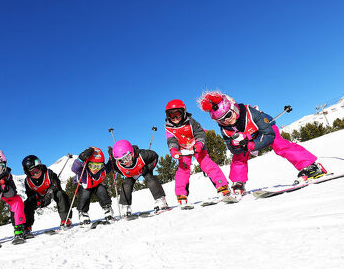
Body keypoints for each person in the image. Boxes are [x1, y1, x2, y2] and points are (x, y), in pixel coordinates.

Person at [198, 91, 327, 194]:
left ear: (234, 108)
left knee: (279, 144)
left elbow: (269, 135)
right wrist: (236, 145)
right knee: (239, 156)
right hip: (248, 137)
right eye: (220, 120)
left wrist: (253, 145)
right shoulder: (226, 130)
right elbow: (232, 149)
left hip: (266, 129)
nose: (226, 121)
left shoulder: (251, 114)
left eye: (228, 115)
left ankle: (311, 166)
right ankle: (238, 182)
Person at [165, 99, 231, 206]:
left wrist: (199, 144)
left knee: (207, 164)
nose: (175, 118)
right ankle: (181, 195)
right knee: (183, 169)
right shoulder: (169, 128)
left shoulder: (191, 122)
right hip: (183, 148)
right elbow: (171, 140)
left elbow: (200, 133)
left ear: (184, 112)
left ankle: (223, 187)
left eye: (178, 114)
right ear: (168, 116)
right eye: (172, 115)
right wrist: (173, 149)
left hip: (196, 145)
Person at [109, 140, 167, 215]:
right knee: (126, 184)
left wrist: (148, 168)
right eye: (121, 160)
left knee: (150, 178)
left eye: (127, 158)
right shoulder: (117, 164)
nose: (125, 162)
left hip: (143, 169)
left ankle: (161, 201)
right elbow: (113, 168)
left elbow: (154, 156)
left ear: (132, 153)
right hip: (131, 174)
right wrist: (112, 159)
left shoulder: (142, 155)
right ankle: (125, 207)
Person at [22, 155, 72, 233]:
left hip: (52, 193)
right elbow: (30, 195)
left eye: (37, 170)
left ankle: (65, 219)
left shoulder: (48, 173)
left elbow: (56, 185)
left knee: (60, 194)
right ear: (28, 173)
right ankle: (27, 226)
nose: (36, 174)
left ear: (40, 166)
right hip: (39, 197)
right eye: (32, 173)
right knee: (27, 203)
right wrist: (38, 201)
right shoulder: (28, 181)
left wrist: (49, 194)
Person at [71, 147, 114, 225]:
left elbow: (109, 167)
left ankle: (107, 208)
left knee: (102, 189)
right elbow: (74, 168)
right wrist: (81, 158)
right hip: (84, 185)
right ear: (87, 164)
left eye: (98, 166)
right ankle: (83, 213)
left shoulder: (102, 170)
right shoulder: (83, 170)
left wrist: (112, 157)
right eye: (92, 166)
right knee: (85, 194)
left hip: (96, 185)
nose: (95, 169)